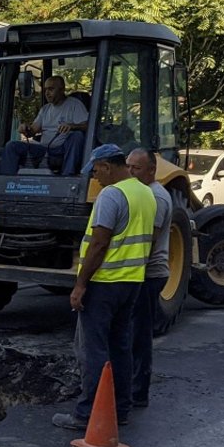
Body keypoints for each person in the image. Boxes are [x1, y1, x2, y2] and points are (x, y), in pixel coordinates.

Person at [53, 143, 157, 430]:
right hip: (132, 281)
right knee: (120, 346)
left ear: (108, 166)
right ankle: (121, 409)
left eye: (96, 170)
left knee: (93, 350)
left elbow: (99, 243)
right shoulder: (145, 193)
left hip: (104, 284)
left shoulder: (111, 195)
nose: (95, 177)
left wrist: (80, 285)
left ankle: (87, 414)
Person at [126, 148, 173, 409]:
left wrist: (131, 273)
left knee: (139, 333)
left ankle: (138, 391)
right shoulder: (144, 194)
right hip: (141, 273)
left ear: (152, 170)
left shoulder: (157, 197)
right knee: (133, 331)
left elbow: (149, 242)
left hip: (149, 273)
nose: (131, 172)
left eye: (137, 168)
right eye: (129, 166)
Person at [0, 76, 88, 175]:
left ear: (62, 89)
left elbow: (87, 126)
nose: (47, 93)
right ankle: (5, 182)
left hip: (62, 151)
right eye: (45, 90)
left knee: (77, 136)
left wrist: (72, 126)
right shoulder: (45, 109)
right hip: (44, 150)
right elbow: (33, 130)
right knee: (12, 146)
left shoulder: (74, 105)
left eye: (51, 89)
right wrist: (25, 128)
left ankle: (67, 176)